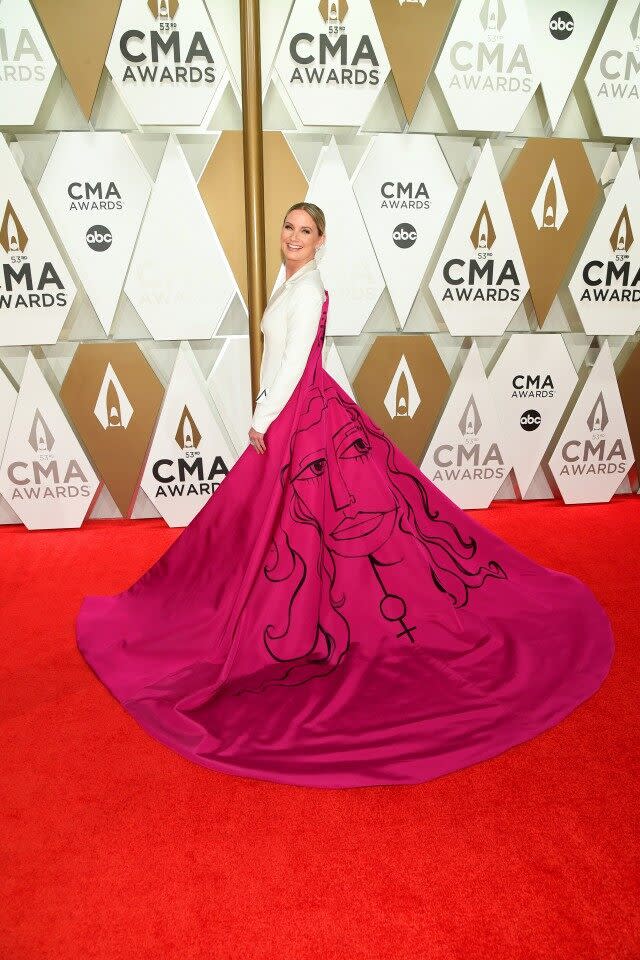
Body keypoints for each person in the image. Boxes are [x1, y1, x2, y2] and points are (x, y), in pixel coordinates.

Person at [76, 201, 614, 788]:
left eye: (305, 232)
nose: (293, 237)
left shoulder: (308, 291)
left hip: (298, 414)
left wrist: (263, 416)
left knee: (304, 522)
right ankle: (286, 613)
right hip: (305, 409)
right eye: (288, 227)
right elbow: (295, 357)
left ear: (321, 240)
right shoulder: (293, 282)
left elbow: (291, 367)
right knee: (281, 524)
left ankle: (307, 621)